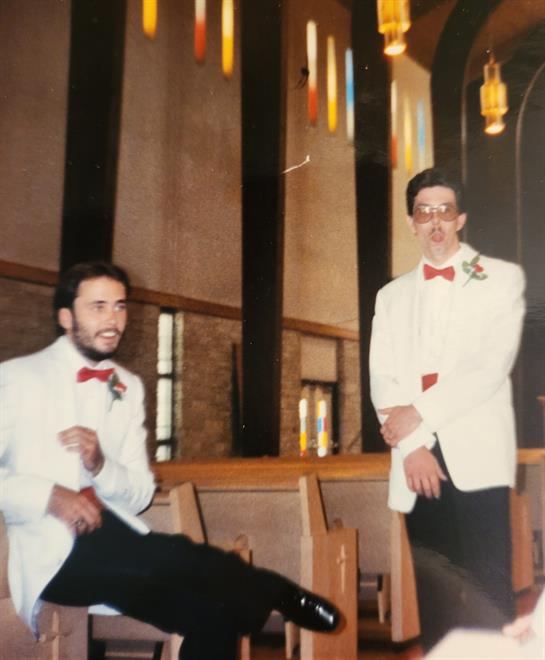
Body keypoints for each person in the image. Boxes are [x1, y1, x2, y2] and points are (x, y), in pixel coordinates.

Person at [0, 261, 340, 660]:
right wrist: (49, 496)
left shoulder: (127, 386)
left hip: (114, 540)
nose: (112, 319)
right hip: (50, 552)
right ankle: (273, 589)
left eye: (119, 306)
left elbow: (140, 493)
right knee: (175, 554)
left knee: (214, 615)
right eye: (98, 307)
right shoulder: (18, 378)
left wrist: (100, 465)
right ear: (65, 316)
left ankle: (267, 590)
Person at [369, 168, 526, 651]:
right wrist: (413, 447)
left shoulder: (502, 279)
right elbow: (382, 378)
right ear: (411, 222)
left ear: (460, 219)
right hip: (416, 461)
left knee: (490, 596)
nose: (435, 222)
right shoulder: (390, 296)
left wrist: (418, 414)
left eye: (444, 211)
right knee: (435, 599)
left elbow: (488, 367)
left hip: (477, 459)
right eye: (424, 212)